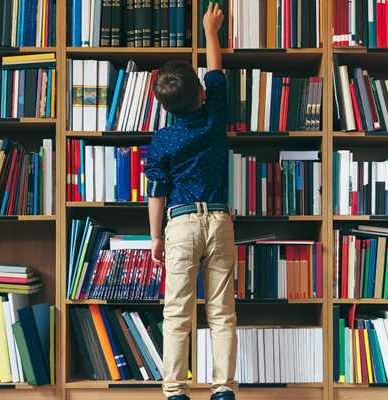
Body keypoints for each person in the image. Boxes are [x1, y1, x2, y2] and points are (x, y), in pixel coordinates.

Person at [144, 3, 237, 400]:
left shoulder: (162, 139)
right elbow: (215, 71)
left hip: (179, 224)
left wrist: (156, 239)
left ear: (164, 106)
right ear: (202, 92)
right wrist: (210, 30)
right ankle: (222, 390)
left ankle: (175, 390)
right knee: (221, 313)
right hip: (218, 221)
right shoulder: (216, 115)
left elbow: (157, 192)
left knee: (176, 313)